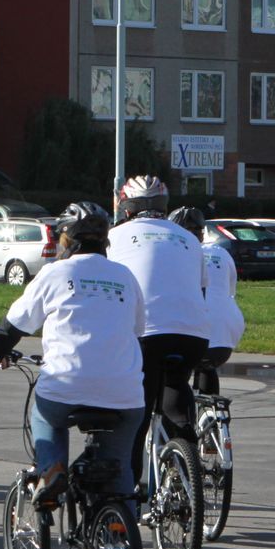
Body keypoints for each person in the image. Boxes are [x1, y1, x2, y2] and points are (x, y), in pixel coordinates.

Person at [0, 202, 145, 508]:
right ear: (104, 240)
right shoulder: (125, 276)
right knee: (119, 467)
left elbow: (13, 326)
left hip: (66, 386)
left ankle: (52, 470)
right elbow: (137, 329)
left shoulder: (54, 273)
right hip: (125, 392)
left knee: (44, 415)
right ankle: (121, 535)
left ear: (66, 240)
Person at [107, 176, 208, 486]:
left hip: (146, 334)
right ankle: (186, 462)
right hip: (193, 334)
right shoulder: (189, 239)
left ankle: (129, 491)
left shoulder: (115, 236)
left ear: (125, 207)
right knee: (175, 388)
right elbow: (200, 291)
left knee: (137, 410)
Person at [168, 207, 243, 396]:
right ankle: (213, 416)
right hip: (228, 329)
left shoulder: (174, 256)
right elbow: (229, 291)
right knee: (208, 366)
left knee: (174, 378)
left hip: (195, 327)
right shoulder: (221, 253)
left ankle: (183, 420)